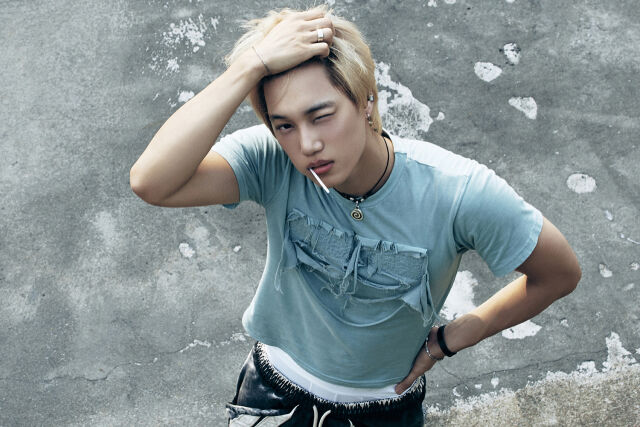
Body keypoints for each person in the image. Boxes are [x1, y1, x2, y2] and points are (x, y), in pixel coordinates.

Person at [130, 5, 581, 426]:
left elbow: (558, 273)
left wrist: (455, 337)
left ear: (366, 100)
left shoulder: (457, 190)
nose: (307, 144)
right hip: (272, 391)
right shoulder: (271, 160)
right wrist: (248, 67)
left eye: (321, 115)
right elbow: (151, 182)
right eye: (284, 124)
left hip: (384, 407)